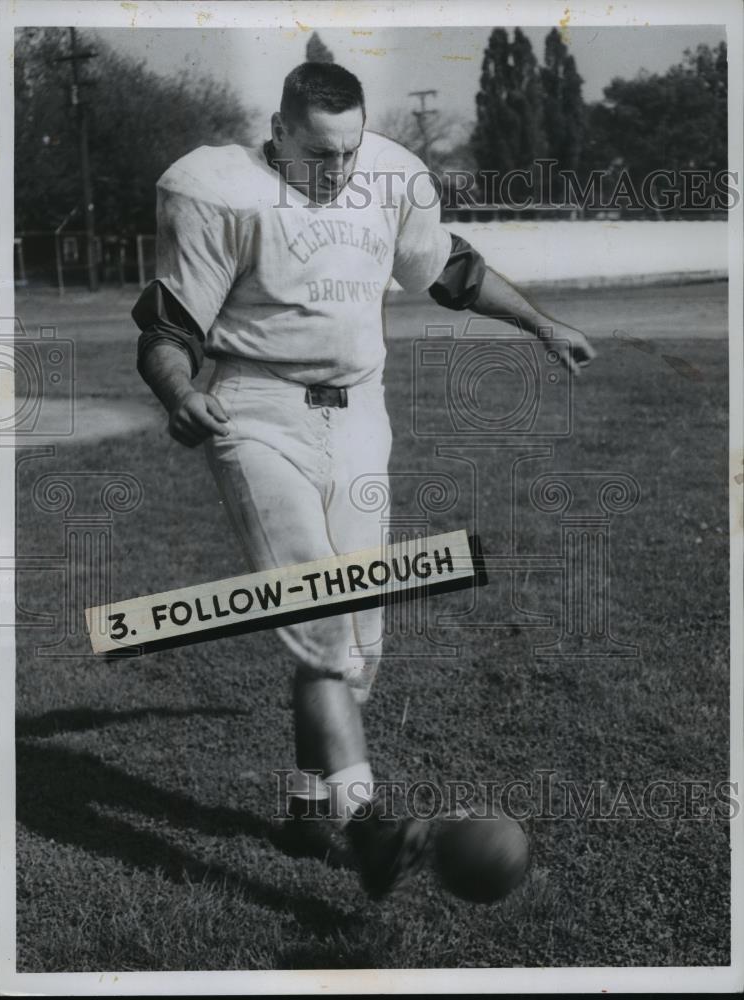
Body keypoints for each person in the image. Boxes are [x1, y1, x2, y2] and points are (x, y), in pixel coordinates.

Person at [133, 61, 595, 899]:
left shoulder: (386, 175)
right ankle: (367, 821)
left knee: (363, 645)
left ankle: (311, 810)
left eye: (348, 150)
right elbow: (167, 326)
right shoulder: (217, 188)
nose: (337, 169)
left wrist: (539, 323)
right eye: (317, 152)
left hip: (359, 417)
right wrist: (180, 392)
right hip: (256, 410)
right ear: (277, 131)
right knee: (321, 616)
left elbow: (448, 271)